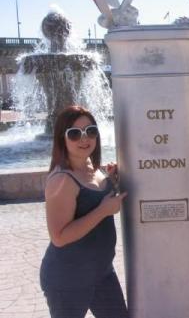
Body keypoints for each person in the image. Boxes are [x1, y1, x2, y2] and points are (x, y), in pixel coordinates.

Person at [40, 105, 129, 318]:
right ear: (62, 138)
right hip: (68, 278)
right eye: (74, 133)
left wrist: (112, 181)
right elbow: (59, 237)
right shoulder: (62, 179)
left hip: (101, 272)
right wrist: (103, 211)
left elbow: (94, 201)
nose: (84, 138)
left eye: (90, 131)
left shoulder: (92, 167)